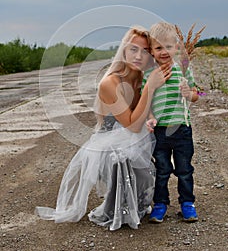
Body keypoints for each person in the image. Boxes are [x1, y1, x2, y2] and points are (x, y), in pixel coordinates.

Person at [35, 25, 171, 231]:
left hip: (135, 138)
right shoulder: (110, 82)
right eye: (133, 49)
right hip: (108, 144)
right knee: (122, 158)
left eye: (145, 51)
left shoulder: (142, 78)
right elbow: (132, 125)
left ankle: (141, 199)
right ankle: (115, 206)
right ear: (124, 50)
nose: (138, 56)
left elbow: (149, 112)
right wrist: (151, 87)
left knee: (145, 185)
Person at [141, 21, 199, 223]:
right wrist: (149, 117)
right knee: (162, 170)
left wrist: (189, 93)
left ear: (176, 47)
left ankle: (187, 203)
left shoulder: (183, 70)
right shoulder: (149, 75)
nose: (164, 51)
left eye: (168, 46)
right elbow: (145, 100)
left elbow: (198, 93)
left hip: (182, 129)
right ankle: (160, 204)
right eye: (158, 48)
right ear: (152, 51)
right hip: (160, 130)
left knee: (184, 169)